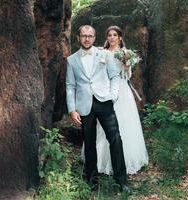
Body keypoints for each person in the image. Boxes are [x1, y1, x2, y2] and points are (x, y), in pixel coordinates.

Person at [66, 25, 130, 193]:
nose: (87, 39)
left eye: (90, 36)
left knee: (115, 139)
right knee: (89, 144)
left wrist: (113, 95)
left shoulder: (105, 54)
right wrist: (72, 109)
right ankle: (92, 181)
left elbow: (115, 76)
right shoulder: (71, 60)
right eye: (84, 36)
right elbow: (70, 86)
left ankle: (121, 181)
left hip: (104, 102)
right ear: (78, 38)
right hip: (84, 107)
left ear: (94, 38)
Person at [92, 25, 149, 175]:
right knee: (103, 125)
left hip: (122, 90)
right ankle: (100, 160)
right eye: (109, 35)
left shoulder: (125, 53)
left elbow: (128, 75)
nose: (111, 38)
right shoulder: (102, 53)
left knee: (123, 123)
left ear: (120, 38)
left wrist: (126, 64)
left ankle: (125, 160)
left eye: (114, 35)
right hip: (105, 89)